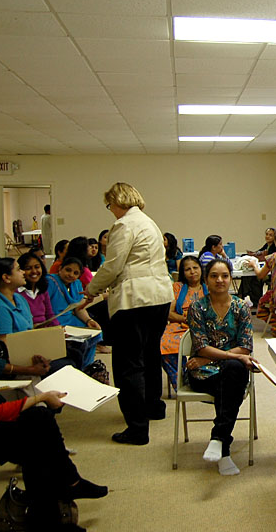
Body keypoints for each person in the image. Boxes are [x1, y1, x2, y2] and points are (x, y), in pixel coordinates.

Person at [0, 290, 108, 529]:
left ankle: (54, 506)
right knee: (36, 432)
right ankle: (64, 491)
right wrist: (40, 398)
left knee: (38, 426)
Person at [84, 182, 172, 445]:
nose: (110, 210)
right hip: (159, 296)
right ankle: (153, 407)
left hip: (135, 299)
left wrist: (92, 288)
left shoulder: (124, 225)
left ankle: (136, 428)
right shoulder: (149, 222)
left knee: (128, 364)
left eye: (109, 205)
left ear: (117, 201)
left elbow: (112, 266)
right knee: (150, 353)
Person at [185, 259, 254, 476]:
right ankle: (223, 449)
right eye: (214, 276)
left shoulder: (241, 307)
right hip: (203, 374)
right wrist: (208, 359)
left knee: (234, 370)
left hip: (229, 371)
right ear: (206, 280)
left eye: (224, 275)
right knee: (232, 379)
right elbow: (201, 347)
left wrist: (209, 358)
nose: (220, 280)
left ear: (231, 278)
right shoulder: (197, 308)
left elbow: (245, 348)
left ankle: (219, 439)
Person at [160, 256, 206, 389]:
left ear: (201, 269)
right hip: (181, 323)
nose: (192, 272)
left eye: (195, 268)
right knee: (163, 343)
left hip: (205, 326)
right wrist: (186, 319)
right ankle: (181, 380)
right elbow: (168, 313)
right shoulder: (177, 287)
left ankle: (199, 375)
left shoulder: (208, 286)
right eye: (188, 269)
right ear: (182, 272)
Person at [47, 257, 102, 366]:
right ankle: (78, 368)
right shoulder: (50, 282)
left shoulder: (76, 284)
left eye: (75, 273)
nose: (71, 274)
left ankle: (87, 367)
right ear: (60, 269)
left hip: (70, 319)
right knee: (81, 342)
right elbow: (44, 307)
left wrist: (88, 320)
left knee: (95, 332)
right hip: (54, 320)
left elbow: (77, 308)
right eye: (68, 270)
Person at [17, 252, 59, 328]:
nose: (34, 271)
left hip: (45, 332)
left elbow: (50, 315)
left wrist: (58, 330)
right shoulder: (17, 293)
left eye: (37, 267)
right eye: (28, 268)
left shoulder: (42, 291)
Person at [239, 227, 276, 308]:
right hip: (264, 269)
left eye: (270, 235)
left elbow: (265, 258)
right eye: (266, 234)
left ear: (275, 237)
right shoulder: (267, 245)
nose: (267, 236)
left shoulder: (274, 248)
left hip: (270, 273)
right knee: (247, 276)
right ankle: (244, 296)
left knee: (252, 277)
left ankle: (245, 296)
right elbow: (258, 252)